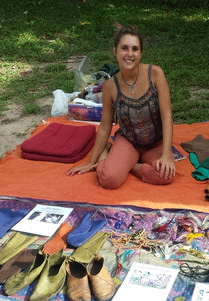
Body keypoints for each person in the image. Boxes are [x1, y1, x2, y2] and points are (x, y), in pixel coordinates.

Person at [67, 25, 176, 189]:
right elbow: (105, 126)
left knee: (165, 175)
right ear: (115, 51)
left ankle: (129, 167)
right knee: (109, 179)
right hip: (129, 142)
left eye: (135, 49)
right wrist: (91, 162)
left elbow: (167, 116)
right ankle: (108, 154)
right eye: (124, 48)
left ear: (141, 53)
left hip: (155, 143)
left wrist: (167, 155)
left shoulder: (156, 74)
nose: (130, 54)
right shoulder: (110, 86)